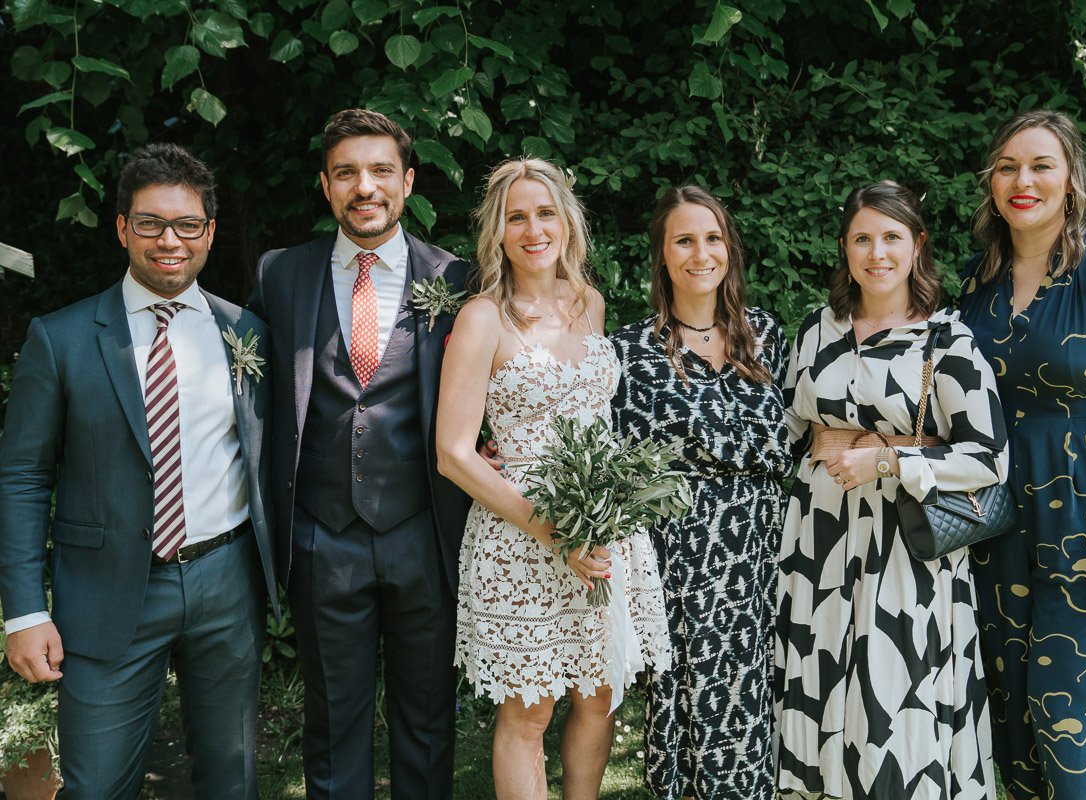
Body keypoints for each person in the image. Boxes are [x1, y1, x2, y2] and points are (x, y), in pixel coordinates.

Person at [0, 143, 277, 799]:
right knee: (96, 787)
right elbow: (20, 477)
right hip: (104, 590)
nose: (169, 241)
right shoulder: (61, 338)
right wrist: (22, 613)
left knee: (230, 780)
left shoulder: (248, 334)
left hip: (227, 583)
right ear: (122, 228)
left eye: (187, 225)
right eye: (150, 222)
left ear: (209, 232)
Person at [249, 108, 471, 799]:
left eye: (380, 171)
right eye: (347, 172)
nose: (364, 186)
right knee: (332, 721)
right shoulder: (281, 273)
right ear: (325, 185)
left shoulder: (460, 280)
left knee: (429, 721)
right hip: (322, 536)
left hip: (424, 534)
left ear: (407, 182)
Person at [438, 157, 670, 800]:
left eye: (545, 213)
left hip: (601, 529)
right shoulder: (486, 317)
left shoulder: (588, 303)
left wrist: (596, 520)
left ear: (567, 223)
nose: (533, 228)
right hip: (521, 532)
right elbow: (454, 453)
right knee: (530, 712)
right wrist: (550, 530)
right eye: (517, 217)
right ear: (498, 232)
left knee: (599, 697)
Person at [958, 110, 1086, 800]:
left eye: (1041, 165)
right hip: (998, 526)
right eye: (1009, 166)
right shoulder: (975, 281)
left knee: (1071, 708)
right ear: (991, 181)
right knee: (1011, 711)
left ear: (1071, 179)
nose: (1023, 180)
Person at [774, 181, 1007, 799]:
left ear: (917, 245)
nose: (877, 253)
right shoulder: (816, 332)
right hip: (819, 539)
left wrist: (887, 460)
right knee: (822, 681)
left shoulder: (947, 341)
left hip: (905, 545)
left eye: (892, 237)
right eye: (862, 238)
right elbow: (785, 431)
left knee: (894, 687)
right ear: (845, 247)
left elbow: (989, 457)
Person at [609, 184, 790, 800]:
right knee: (687, 704)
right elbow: (610, 455)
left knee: (757, 696)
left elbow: (805, 434)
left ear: (730, 250)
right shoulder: (629, 351)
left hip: (764, 550)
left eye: (712, 238)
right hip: (681, 555)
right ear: (662, 254)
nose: (700, 252)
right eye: (684, 239)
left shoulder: (766, 336)